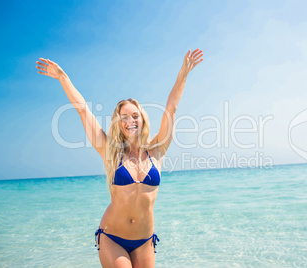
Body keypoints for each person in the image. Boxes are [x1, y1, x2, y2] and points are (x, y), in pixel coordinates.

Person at [36, 49, 203, 267]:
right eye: (124, 117)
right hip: (113, 238)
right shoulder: (110, 151)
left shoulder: (157, 150)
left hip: (144, 240)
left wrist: (183, 74)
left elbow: (171, 109)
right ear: (118, 123)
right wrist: (62, 77)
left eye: (135, 116)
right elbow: (83, 111)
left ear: (142, 119)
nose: (130, 121)